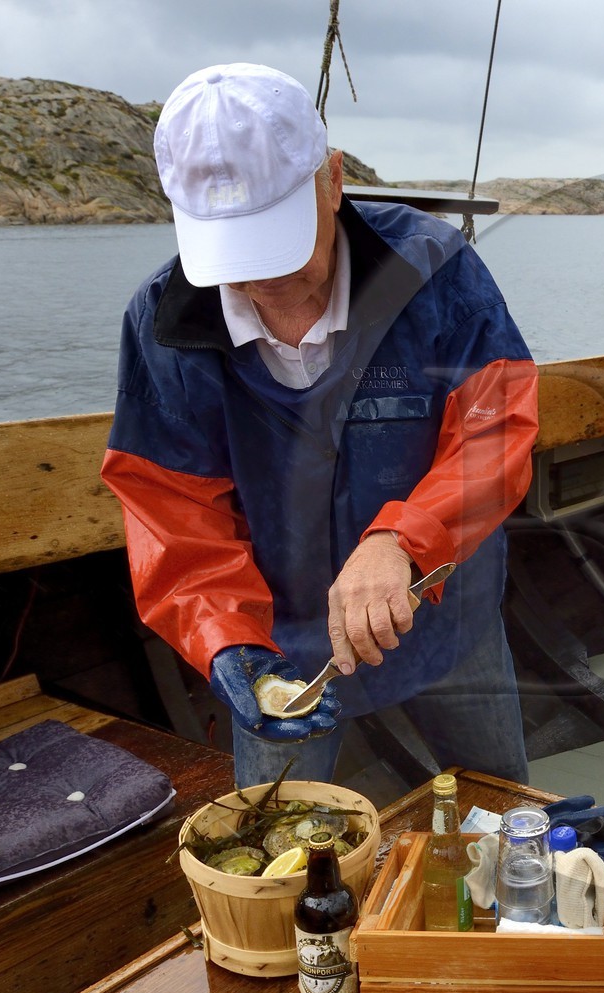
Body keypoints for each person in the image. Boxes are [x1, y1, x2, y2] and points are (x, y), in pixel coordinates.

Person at [101, 63, 539, 788]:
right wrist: (227, 641)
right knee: (274, 831)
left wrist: (402, 541)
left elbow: (497, 428)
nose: (263, 281)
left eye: (279, 242)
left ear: (332, 180)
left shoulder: (435, 268)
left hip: (446, 618)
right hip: (281, 643)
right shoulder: (160, 322)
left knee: (502, 804)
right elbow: (169, 511)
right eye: (233, 254)